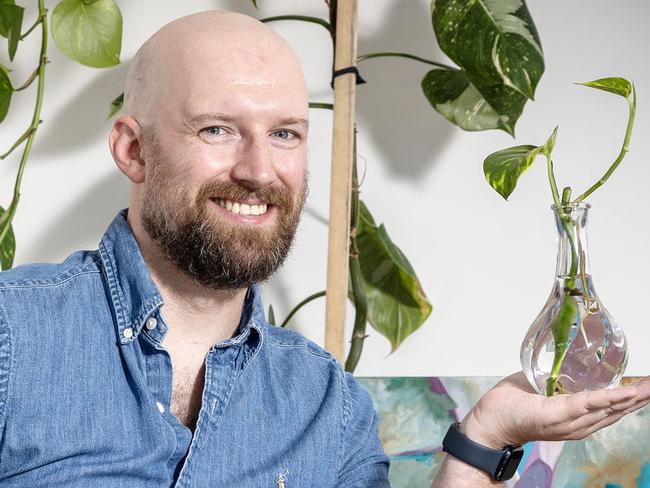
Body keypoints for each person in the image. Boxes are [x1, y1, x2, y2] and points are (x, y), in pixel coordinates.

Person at [0, 9, 648, 488]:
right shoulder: (13, 335)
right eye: (218, 129)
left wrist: (484, 437)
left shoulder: (325, 404)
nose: (259, 170)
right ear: (133, 150)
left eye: (285, 133)